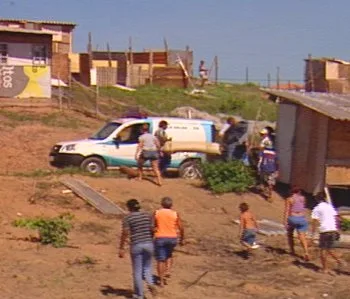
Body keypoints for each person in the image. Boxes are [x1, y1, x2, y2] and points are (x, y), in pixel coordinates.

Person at [118, 199, 157, 299]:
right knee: (147, 268)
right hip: (149, 243)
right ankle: (150, 283)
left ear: (129, 207)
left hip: (136, 244)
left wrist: (121, 247)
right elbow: (152, 229)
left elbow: (125, 233)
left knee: (137, 271)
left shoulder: (127, 218)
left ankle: (139, 295)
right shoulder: (147, 215)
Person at [311, 192, 346, 275]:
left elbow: (314, 221)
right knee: (328, 249)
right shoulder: (330, 206)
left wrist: (312, 234)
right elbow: (337, 218)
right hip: (333, 230)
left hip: (324, 230)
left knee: (323, 250)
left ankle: (325, 268)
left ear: (317, 199)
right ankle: (339, 260)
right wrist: (337, 229)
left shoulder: (317, 208)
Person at [153, 197, 184, 287]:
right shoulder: (175, 214)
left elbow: (152, 226)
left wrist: (152, 235)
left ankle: (161, 281)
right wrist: (182, 239)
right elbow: (181, 227)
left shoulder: (157, 212)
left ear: (162, 204)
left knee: (160, 259)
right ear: (171, 205)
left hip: (160, 237)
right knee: (169, 255)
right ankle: (168, 270)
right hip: (172, 237)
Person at [283, 186, 310, 261]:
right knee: (302, 237)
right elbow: (303, 208)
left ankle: (292, 251)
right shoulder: (303, 198)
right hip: (302, 218)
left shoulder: (289, 199)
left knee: (290, 234)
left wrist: (285, 221)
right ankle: (306, 252)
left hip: (293, 218)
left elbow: (287, 211)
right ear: (299, 192)